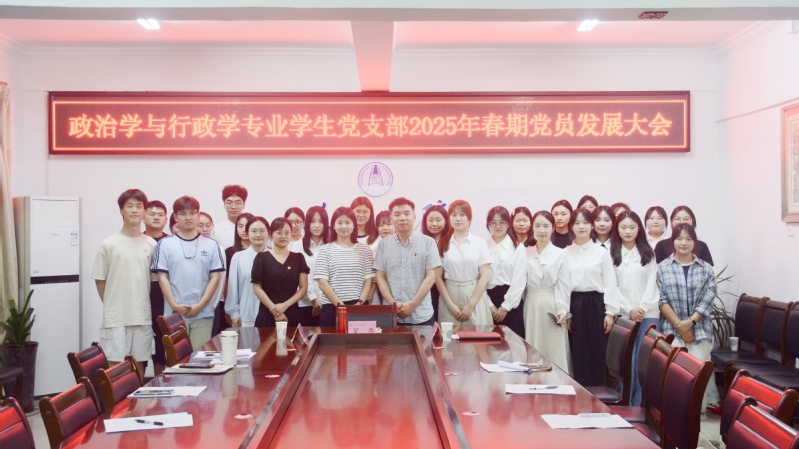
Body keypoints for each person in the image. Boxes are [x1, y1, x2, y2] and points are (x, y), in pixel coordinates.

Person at [658, 223, 720, 415]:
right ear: (672, 241)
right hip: (672, 330)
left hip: (699, 330)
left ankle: (696, 417)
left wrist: (691, 322)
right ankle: (673, 417)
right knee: (674, 375)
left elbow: (709, 298)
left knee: (698, 376)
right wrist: (680, 326)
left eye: (688, 239)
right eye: (679, 239)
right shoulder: (662, 268)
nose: (683, 243)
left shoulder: (706, 269)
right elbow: (661, 300)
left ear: (695, 242)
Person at [92, 189, 155, 378]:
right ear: (121, 210)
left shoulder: (151, 244)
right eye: (129, 206)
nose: (134, 210)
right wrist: (112, 306)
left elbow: (153, 282)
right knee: (115, 369)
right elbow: (100, 280)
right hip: (116, 318)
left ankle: (137, 399)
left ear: (145, 211)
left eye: (139, 206)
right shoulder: (108, 244)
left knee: (139, 368)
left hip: (142, 316)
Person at [558, 208, 623, 387]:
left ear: (592, 226)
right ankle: (581, 394)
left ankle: (599, 394)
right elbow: (563, 285)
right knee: (578, 352)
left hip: (597, 304)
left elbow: (610, 283)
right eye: (577, 223)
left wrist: (610, 313)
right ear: (571, 227)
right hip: (575, 304)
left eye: (585, 223)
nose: (581, 227)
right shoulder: (565, 253)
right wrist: (566, 312)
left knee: (597, 351)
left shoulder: (601, 252)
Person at [152, 196, 225, 350]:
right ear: (175, 217)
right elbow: (162, 277)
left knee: (201, 358)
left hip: (203, 313)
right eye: (183, 213)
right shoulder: (165, 244)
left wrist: (200, 305)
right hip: (173, 315)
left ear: (198, 215)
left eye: (192, 213)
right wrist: (174, 305)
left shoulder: (211, 245)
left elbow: (215, 278)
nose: (188, 217)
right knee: (176, 359)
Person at [610, 210, 658, 407]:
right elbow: (611, 286)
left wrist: (642, 308)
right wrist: (629, 309)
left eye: (632, 227)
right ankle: (625, 403)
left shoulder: (648, 253)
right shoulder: (611, 253)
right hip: (623, 315)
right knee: (625, 360)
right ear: (617, 229)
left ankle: (638, 406)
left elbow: (653, 283)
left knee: (643, 362)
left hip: (648, 314)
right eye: (623, 227)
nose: (628, 231)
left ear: (639, 229)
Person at [374, 198, 441, 326]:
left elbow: (431, 277)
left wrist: (412, 304)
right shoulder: (383, 245)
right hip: (391, 315)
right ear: (391, 218)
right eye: (397, 214)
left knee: (424, 341)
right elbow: (380, 277)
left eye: (407, 213)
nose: (402, 218)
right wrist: (393, 303)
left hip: (421, 314)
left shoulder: (428, 242)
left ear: (414, 216)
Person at [523, 210, 571, 374]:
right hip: (530, 303)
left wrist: (563, 310)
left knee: (553, 347)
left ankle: (557, 381)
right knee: (533, 344)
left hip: (552, 303)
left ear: (553, 228)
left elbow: (563, 284)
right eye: (537, 226)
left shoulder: (561, 254)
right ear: (532, 227)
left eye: (546, 226)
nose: (541, 230)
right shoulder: (525, 252)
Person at [314, 207, 375, 327]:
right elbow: (322, 283)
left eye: (347, 222)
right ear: (333, 226)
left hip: (358, 307)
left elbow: (369, 280)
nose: (343, 226)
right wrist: (341, 306)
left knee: (359, 339)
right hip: (331, 308)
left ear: (353, 225)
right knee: (330, 339)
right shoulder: (325, 250)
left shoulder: (365, 249)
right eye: (339, 222)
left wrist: (360, 303)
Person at [436, 200, 493, 325]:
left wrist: (470, 305)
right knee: (449, 335)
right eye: (454, 215)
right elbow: (438, 277)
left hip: (473, 293)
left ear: (469, 218)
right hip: (449, 294)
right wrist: (449, 304)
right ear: (449, 218)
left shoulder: (480, 243)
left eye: (462, 215)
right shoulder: (443, 244)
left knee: (476, 335)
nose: (458, 219)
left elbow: (485, 277)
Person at [251, 217, 308, 327]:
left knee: (291, 339)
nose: (283, 236)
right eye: (279, 232)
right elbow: (257, 288)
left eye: (287, 233)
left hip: (291, 312)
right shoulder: (261, 257)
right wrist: (275, 310)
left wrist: (284, 306)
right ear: (271, 234)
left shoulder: (298, 258)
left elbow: (303, 289)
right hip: (268, 312)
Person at [485, 206, 526, 337]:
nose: (498, 226)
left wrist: (505, 307)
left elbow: (519, 281)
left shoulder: (518, 248)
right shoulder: (482, 247)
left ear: (508, 224)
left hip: (511, 303)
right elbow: (478, 278)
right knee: (489, 344)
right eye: (493, 222)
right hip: (488, 302)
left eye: (502, 222)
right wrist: (489, 304)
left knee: (513, 343)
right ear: (488, 224)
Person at [225, 216, 268, 327]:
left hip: (271, 315)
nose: (258, 235)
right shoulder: (238, 257)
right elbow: (233, 288)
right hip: (246, 315)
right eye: (254, 231)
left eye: (262, 231)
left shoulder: (275, 256)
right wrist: (234, 314)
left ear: (268, 233)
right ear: (248, 233)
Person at [289, 206, 328, 327]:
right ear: (306, 223)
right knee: (305, 337)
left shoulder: (331, 245)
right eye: (313, 221)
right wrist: (313, 299)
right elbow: (297, 276)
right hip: (304, 304)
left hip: (328, 303)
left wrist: (322, 299)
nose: (317, 226)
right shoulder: (297, 246)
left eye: (321, 221)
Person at [143, 200, 169, 375]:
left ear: (166, 219)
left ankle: (161, 381)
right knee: (141, 347)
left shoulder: (171, 242)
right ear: (144, 217)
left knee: (161, 343)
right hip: (142, 296)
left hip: (164, 296)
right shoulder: (137, 239)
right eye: (152, 214)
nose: (156, 217)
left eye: (160, 215)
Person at [198, 212, 227, 337]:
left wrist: (212, 305)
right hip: (190, 307)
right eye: (200, 225)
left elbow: (220, 281)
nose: (205, 229)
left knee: (209, 344)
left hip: (212, 306)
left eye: (208, 225)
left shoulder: (218, 248)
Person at [422, 205, 450, 323]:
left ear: (446, 221)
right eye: (431, 220)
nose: (434, 224)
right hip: (426, 288)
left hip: (447, 287)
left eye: (438, 220)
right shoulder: (421, 241)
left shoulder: (451, 241)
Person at [213, 185, 248, 250]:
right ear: (224, 204)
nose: (233, 207)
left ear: (244, 204)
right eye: (229, 203)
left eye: (238, 203)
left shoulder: (252, 228)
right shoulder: (215, 230)